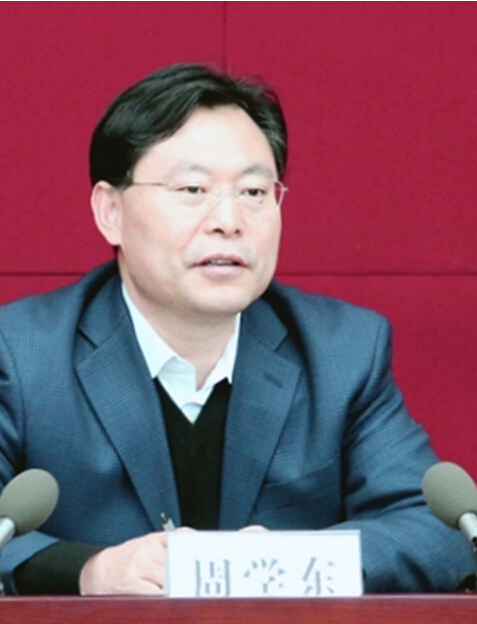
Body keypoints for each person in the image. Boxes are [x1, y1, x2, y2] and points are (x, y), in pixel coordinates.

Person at [0, 63, 473, 595]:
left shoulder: (342, 353)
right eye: (193, 189)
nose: (229, 220)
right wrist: (89, 571)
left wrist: (289, 564)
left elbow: (435, 529)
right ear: (111, 211)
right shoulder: (22, 355)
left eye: (253, 192)